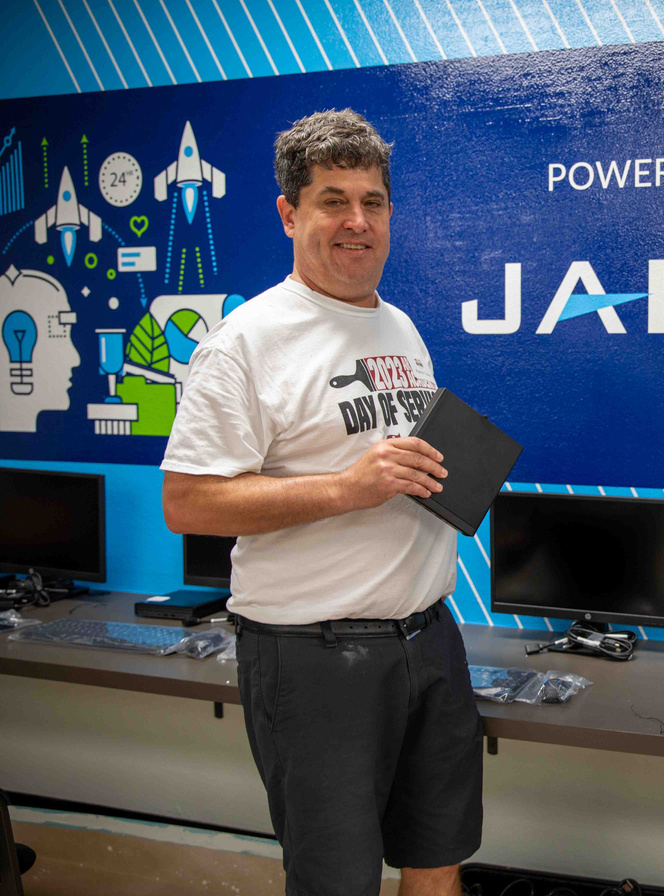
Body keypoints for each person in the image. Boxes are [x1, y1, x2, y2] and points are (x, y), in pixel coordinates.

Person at [161, 109, 481, 896]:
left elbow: (396, 465)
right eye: (333, 201)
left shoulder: (400, 327)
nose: (356, 221)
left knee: (438, 857)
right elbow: (188, 503)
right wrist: (346, 489)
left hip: (429, 637)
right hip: (313, 655)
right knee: (336, 879)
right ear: (289, 213)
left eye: (372, 202)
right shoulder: (244, 342)